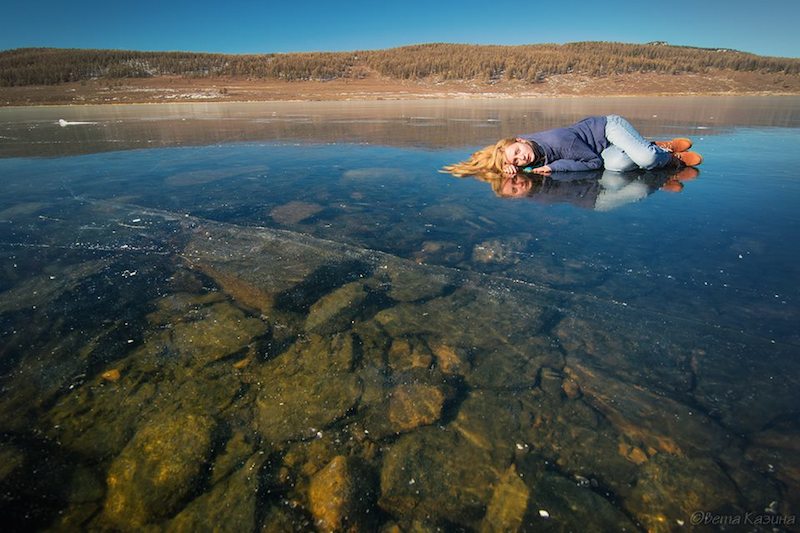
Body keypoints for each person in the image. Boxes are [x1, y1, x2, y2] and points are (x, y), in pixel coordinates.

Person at [442, 115, 702, 178]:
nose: (523, 157)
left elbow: (592, 164)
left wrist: (556, 167)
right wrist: (513, 169)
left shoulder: (557, 143)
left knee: (645, 159)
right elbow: (600, 160)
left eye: (518, 152)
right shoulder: (523, 157)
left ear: (519, 139)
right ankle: (651, 147)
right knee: (618, 166)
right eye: (517, 160)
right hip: (599, 149)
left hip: (607, 128)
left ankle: (668, 157)